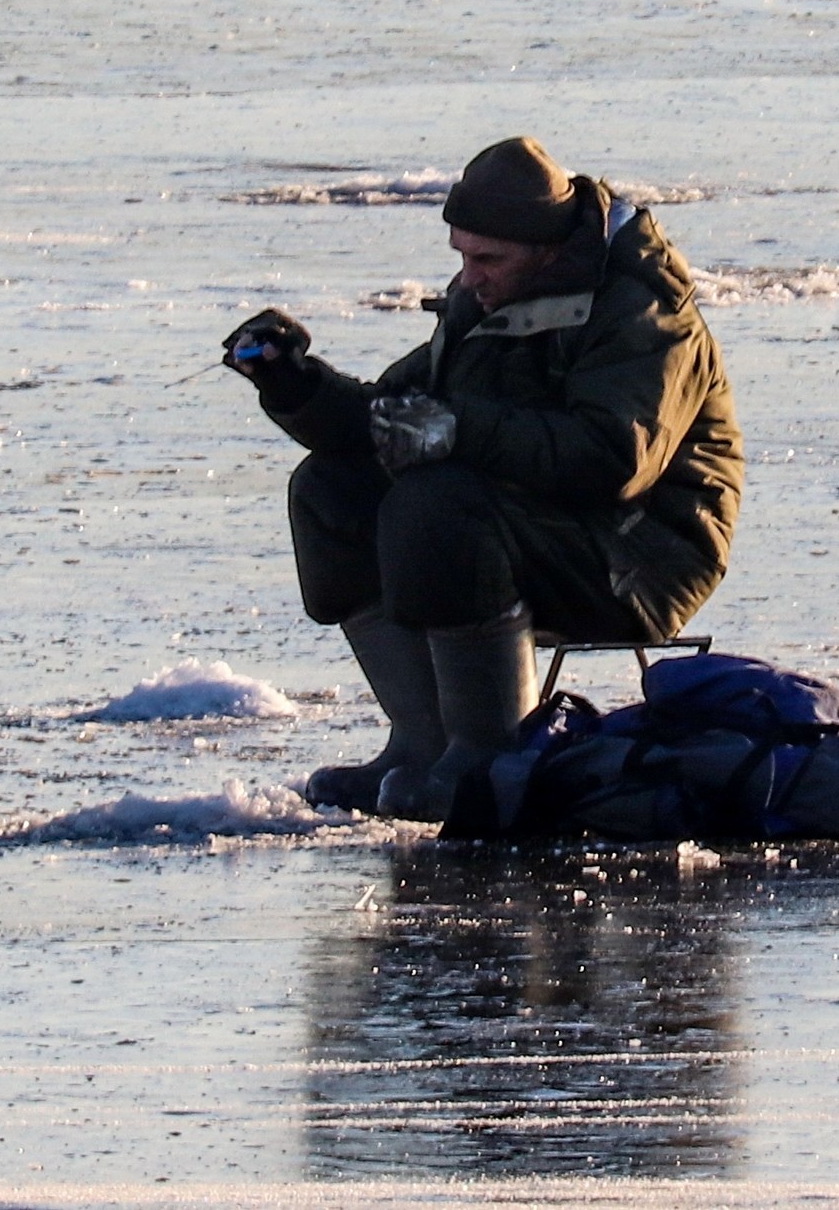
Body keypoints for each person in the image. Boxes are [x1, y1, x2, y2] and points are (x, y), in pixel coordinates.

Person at [223, 137, 743, 821]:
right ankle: (424, 742)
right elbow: (390, 419)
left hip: (642, 551)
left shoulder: (643, 312)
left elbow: (613, 458)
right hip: (532, 523)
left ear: (548, 249)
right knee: (332, 490)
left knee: (436, 505)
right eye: (462, 257)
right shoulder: (488, 297)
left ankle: (493, 755)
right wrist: (294, 385)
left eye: (487, 259)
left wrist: (458, 429)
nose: (469, 277)